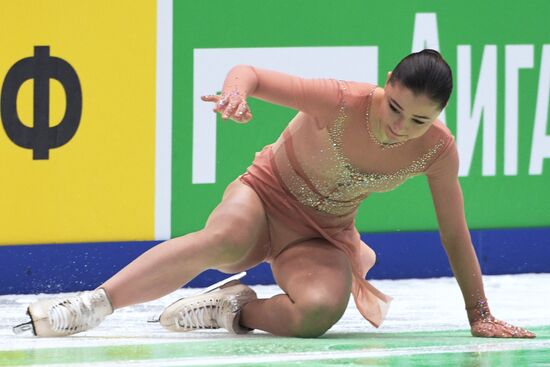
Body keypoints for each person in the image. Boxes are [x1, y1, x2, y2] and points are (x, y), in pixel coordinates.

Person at [15, 49, 535, 339]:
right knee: (221, 238)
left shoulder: (437, 152)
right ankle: (88, 306)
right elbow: (253, 73)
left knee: (318, 313)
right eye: (396, 107)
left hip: (322, 233)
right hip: (265, 196)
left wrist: (479, 313)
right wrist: (237, 93)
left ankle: (232, 310)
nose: (401, 126)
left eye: (420, 120)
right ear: (388, 82)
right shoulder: (340, 100)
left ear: (439, 117)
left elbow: (453, 232)